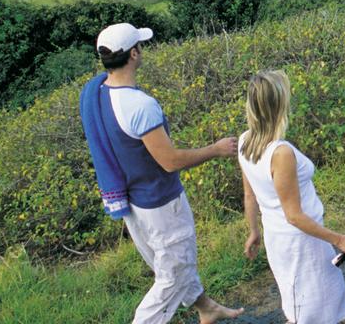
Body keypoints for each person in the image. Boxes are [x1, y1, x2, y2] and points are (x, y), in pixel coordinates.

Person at [79, 22, 243, 324]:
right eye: (140, 46)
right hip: (161, 204)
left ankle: (207, 309)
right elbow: (169, 161)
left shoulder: (97, 93)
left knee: (172, 265)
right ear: (134, 54)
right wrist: (216, 149)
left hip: (133, 203)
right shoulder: (140, 106)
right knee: (171, 277)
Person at [238, 70, 345, 324]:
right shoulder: (280, 153)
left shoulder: (245, 141)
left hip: (278, 239)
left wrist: (253, 231)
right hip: (302, 244)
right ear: (279, 104)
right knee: (314, 311)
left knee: (300, 307)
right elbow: (294, 216)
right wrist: (341, 239)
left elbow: (249, 195)